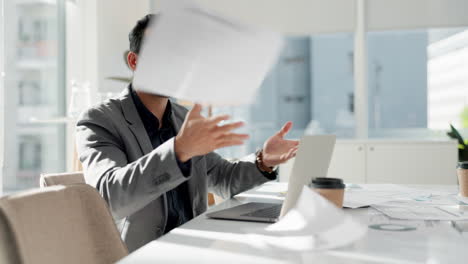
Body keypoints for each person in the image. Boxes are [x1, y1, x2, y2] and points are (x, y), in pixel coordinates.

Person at [75, 14, 299, 252]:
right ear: (134, 61)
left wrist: (262, 161)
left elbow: (221, 178)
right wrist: (179, 151)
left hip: (194, 247)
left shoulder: (182, 118)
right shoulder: (99, 120)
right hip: (140, 254)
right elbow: (110, 198)